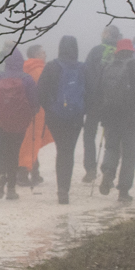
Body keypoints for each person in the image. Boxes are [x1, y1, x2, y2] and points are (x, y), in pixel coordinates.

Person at [97, 37, 135, 203]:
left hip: (111, 116)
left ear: (117, 52)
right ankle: (123, 191)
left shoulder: (107, 68)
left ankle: (108, 171)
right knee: (129, 154)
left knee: (111, 147)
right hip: (133, 117)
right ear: (131, 51)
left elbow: (99, 91)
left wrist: (101, 113)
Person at [36, 35, 87, 205]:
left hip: (55, 117)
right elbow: (91, 93)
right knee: (68, 151)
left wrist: (50, 108)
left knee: (61, 149)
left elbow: (40, 92)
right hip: (75, 117)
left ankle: (62, 188)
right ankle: (64, 189)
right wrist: (82, 110)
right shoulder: (83, 68)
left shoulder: (51, 66)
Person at [0, 54, 39, 199]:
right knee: (13, 153)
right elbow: (34, 102)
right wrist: (30, 115)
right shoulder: (27, 79)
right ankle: (11, 189)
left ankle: (1, 175)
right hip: (19, 122)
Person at [16, 44, 49, 188]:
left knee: (27, 142)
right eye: (43, 52)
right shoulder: (40, 71)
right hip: (38, 112)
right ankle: (23, 174)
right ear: (36, 55)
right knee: (32, 142)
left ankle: (35, 172)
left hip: (23, 111)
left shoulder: (24, 68)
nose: (45, 55)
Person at [80, 40, 109, 182]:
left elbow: (85, 73)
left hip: (94, 102)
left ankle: (90, 169)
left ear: (107, 34)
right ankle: (109, 171)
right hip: (111, 103)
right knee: (111, 139)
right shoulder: (121, 52)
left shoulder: (96, 50)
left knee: (89, 136)